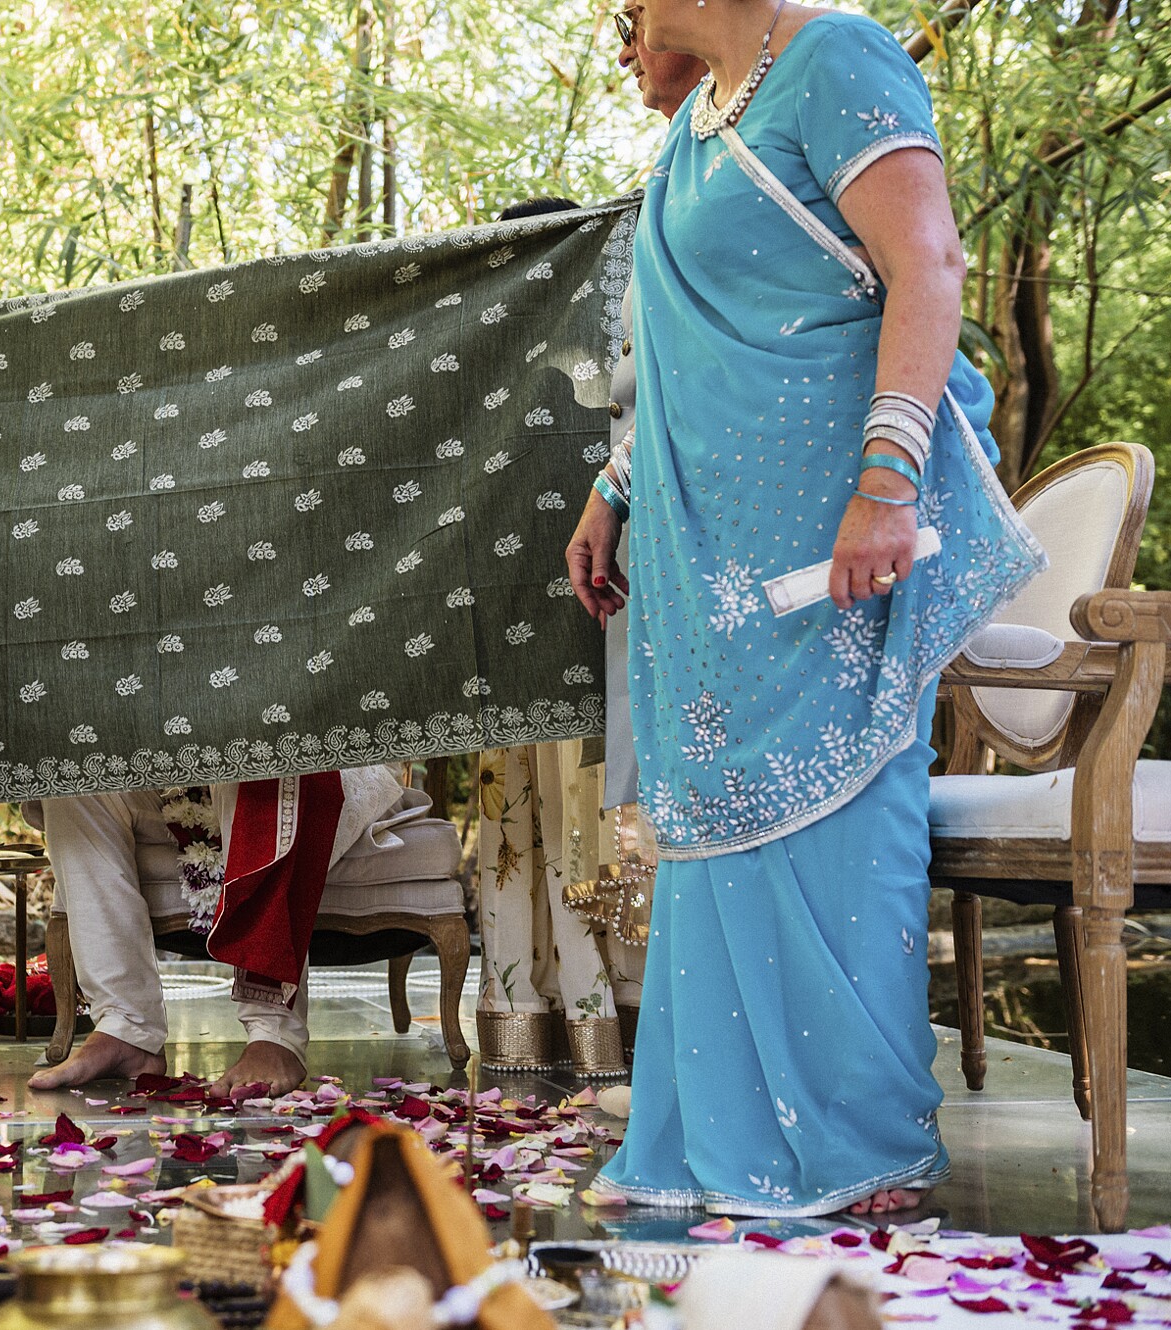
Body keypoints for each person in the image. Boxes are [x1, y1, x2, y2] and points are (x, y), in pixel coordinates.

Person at [567, 0, 1042, 1216]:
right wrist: (613, 484)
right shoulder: (693, 126)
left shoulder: (833, 54)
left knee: (835, 809)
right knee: (725, 823)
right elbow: (690, 348)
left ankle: (857, 1143)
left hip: (831, 524)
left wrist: (886, 481)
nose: (617, 22)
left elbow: (924, 264)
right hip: (706, 542)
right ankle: (707, 1134)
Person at [474, 20, 708, 1075]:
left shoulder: (634, 342)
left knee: (618, 804)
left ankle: (631, 1021)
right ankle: (540, 1021)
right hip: (522, 637)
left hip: (632, 599)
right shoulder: (488, 398)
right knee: (527, 810)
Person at [25, 767, 439, 1097]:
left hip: (313, 762)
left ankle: (274, 1033)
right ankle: (125, 1026)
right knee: (75, 779)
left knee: (262, 753)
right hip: (175, 775)